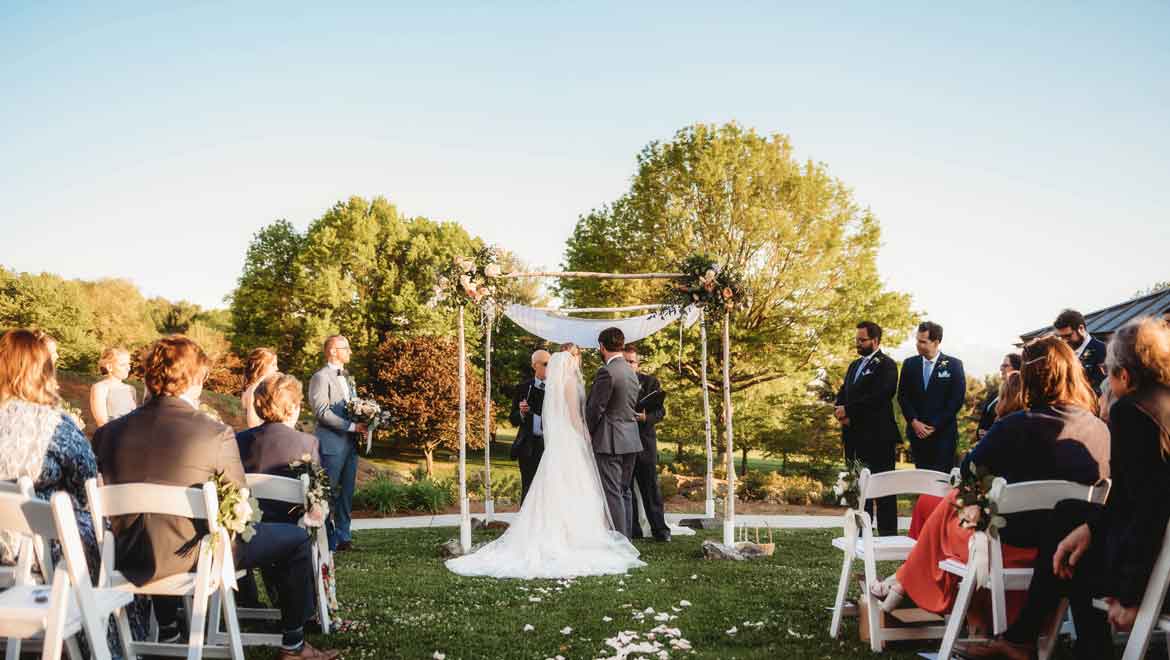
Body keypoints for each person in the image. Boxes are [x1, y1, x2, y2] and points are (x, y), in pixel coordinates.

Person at [93, 335, 338, 660]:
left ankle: (168, 629)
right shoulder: (213, 432)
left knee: (156, 531)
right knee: (295, 540)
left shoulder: (107, 434)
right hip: (194, 556)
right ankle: (293, 645)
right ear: (194, 379)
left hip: (126, 556)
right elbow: (240, 503)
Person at [958, 317, 1170, 659]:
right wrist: (1088, 528)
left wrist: (1130, 594)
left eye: (1108, 373)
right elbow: (1133, 495)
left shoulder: (1133, 413)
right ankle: (1052, 641)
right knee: (1069, 519)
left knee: (1068, 534)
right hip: (1149, 552)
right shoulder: (1158, 409)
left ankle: (1033, 640)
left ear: (1126, 377)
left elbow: (1150, 508)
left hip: (1154, 570)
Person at [873, 336, 1109, 629]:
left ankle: (908, 584)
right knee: (957, 508)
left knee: (954, 507)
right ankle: (906, 584)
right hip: (1072, 552)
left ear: (1029, 378)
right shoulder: (1100, 430)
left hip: (1008, 550)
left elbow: (968, 471)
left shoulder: (1016, 425)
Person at [0, 329, 145, 657]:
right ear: (43, 372)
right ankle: (110, 647)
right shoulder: (52, 424)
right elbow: (87, 485)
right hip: (32, 546)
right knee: (105, 539)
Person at [446, 350, 645, 578]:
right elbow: (573, 417)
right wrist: (586, 435)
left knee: (554, 488)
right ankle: (575, 536)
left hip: (558, 445)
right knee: (574, 488)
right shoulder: (569, 384)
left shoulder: (555, 386)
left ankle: (557, 532)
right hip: (571, 440)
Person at [834, 321, 901, 536]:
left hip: (878, 438)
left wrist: (849, 410)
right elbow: (844, 392)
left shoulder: (887, 365)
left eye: (862, 340)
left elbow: (881, 396)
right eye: (856, 340)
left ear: (875, 340)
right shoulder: (854, 365)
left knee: (884, 490)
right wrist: (839, 411)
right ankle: (859, 535)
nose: (858, 344)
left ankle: (888, 536)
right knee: (856, 489)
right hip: (853, 437)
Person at [237, 373, 321, 523]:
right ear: (294, 407)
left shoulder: (238, 440)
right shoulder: (308, 443)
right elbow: (316, 495)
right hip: (292, 530)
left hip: (248, 528)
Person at [308, 335, 364, 553]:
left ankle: (343, 537)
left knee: (347, 493)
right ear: (333, 351)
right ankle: (325, 537)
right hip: (331, 443)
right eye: (346, 348)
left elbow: (353, 406)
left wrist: (364, 421)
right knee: (327, 492)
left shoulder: (348, 377)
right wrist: (351, 427)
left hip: (351, 444)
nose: (350, 351)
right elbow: (322, 411)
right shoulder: (320, 377)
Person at [897, 321, 967, 471]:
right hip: (917, 435)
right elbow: (903, 396)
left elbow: (956, 400)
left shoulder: (954, 365)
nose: (918, 344)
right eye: (917, 340)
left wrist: (934, 426)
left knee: (940, 483)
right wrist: (914, 422)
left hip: (943, 435)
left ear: (936, 342)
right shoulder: (910, 364)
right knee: (922, 480)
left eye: (923, 341)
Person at [622, 344, 670, 542]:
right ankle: (633, 530)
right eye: (624, 361)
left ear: (637, 364)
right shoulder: (615, 381)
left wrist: (645, 417)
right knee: (626, 490)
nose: (628, 364)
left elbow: (660, 412)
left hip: (645, 443)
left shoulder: (651, 382)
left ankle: (661, 530)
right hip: (623, 442)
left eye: (631, 361)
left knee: (650, 489)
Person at [509, 349, 550, 503]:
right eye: (545, 364)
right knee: (529, 487)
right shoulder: (523, 388)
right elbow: (512, 420)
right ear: (535, 366)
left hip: (550, 446)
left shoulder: (557, 388)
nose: (549, 367)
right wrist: (521, 412)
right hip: (528, 446)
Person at [1054, 308, 1107, 393]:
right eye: (1061, 337)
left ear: (1081, 328)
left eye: (1068, 336)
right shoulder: (1061, 354)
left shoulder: (1101, 350)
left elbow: (1103, 387)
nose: (1064, 341)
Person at [975, 353, 1022, 443]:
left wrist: (992, 435)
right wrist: (979, 433)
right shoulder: (994, 394)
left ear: (1017, 368)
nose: (1001, 369)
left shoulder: (1021, 397)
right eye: (1001, 366)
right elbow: (984, 418)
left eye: (1005, 366)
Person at [90, 347, 137, 428]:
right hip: (111, 438)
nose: (128, 368)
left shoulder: (131, 389)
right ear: (109, 367)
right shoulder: (100, 388)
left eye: (129, 364)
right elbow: (102, 423)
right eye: (123, 365)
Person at [241, 347, 278, 429]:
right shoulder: (253, 390)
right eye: (273, 365)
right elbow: (253, 424)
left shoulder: (260, 387)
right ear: (262, 365)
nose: (277, 368)